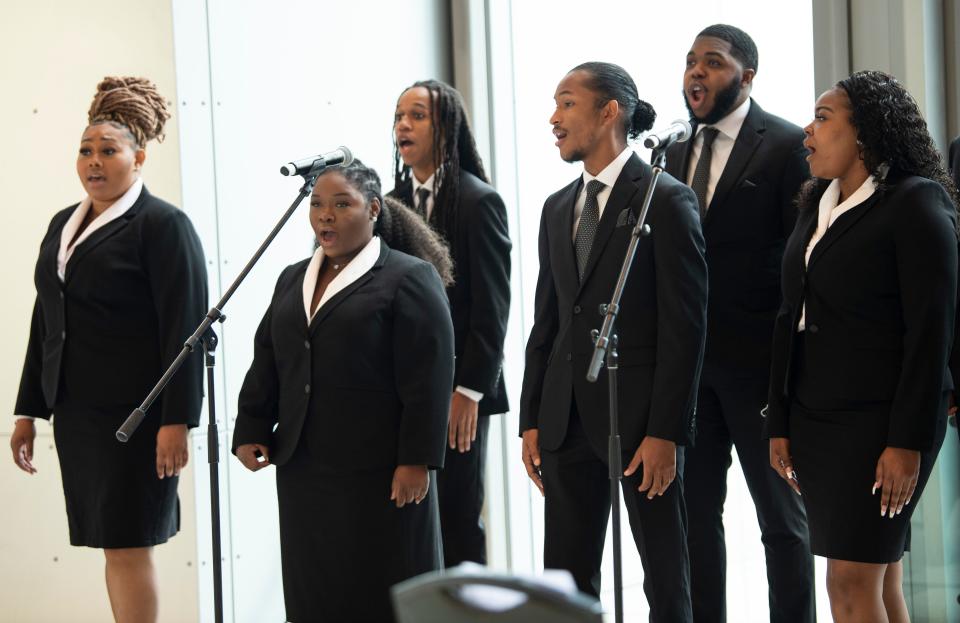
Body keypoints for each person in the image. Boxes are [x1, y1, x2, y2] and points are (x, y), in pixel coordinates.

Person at [10, 76, 207, 623]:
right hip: (79, 415)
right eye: (85, 150)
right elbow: (46, 318)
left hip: (136, 417)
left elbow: (185, 332)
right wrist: (29, 409)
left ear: (138, 157)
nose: (94, 161)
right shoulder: (62, 225)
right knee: (110, 541)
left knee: (127, 542)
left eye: (108, 151)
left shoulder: (164, 227)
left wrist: (178, 421)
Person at [766, 70, 958, 623]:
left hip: (879, 423)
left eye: (823, 119)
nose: (807, 131)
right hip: (815, 417)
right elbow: (789, 317)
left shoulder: (915, 203)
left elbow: (931, 332)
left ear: (865, 134)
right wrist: (778, 421)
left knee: (848, 582)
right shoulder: (814, 205)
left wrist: (907, 441)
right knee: (880, 579)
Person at [519, 61, 707, 621]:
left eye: (566, 103)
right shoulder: (557, 208)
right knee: (566, 584)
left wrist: (666, 432)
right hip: (564, 421)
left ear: (610, 112)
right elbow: (547, 321)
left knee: (664, 579)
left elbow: (686, 327)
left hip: (640, 422)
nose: (554, 118)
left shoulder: (665, 198)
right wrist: (533, 416)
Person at [232, 159, 455, 623]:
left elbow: (429, 378)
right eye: (316, 205)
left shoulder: (409, 277)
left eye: (340, 204)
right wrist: (252, 424)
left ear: (373, 209)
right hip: (304, 467)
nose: (325, 215)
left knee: (380, 593)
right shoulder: (293, 276)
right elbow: (270, 356)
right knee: (315, 592)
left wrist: (416, 459)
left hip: (380, 471)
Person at [663, 24, 814, 622]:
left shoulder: (782, 144)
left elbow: (798, 262)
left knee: (781, 522)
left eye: (714, 63)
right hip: (689, 372)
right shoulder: (671, 152)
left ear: (747, 76)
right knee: (696, 519)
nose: (696, 73)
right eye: (690, 62)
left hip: (758, 370)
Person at [389, 79, 512, 566]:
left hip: (462, 394)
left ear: (447, 125)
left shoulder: (478, 201)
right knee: (410, 522)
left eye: (417, 115)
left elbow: (492, 307)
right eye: (399, 115)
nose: (403, 124)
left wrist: (470, 391)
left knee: (459, 518)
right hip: (405, 390)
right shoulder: (387, 201)